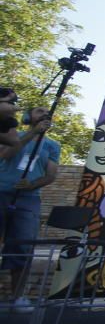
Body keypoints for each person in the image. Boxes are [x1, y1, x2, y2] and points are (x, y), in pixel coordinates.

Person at [1, 106, 59, 310]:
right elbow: (6, 155)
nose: (45, 114)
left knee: (23, 247)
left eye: (47, 113)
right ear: (27, 117)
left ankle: (17, 297)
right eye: (39, 111)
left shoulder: (52, 146)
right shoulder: (10, 135)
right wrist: (33, 133)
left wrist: (32, 184)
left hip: (28, 199)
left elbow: (51, 175)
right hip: (2, 191)